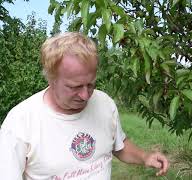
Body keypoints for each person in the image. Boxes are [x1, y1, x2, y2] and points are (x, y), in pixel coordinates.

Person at [0, 32, 169, 179]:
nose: (85, 95)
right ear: (51, 79)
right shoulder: (20, 122)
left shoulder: (104, 103)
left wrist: (145, 156)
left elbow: (119, 145)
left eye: (91, 84)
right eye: (74, 87)